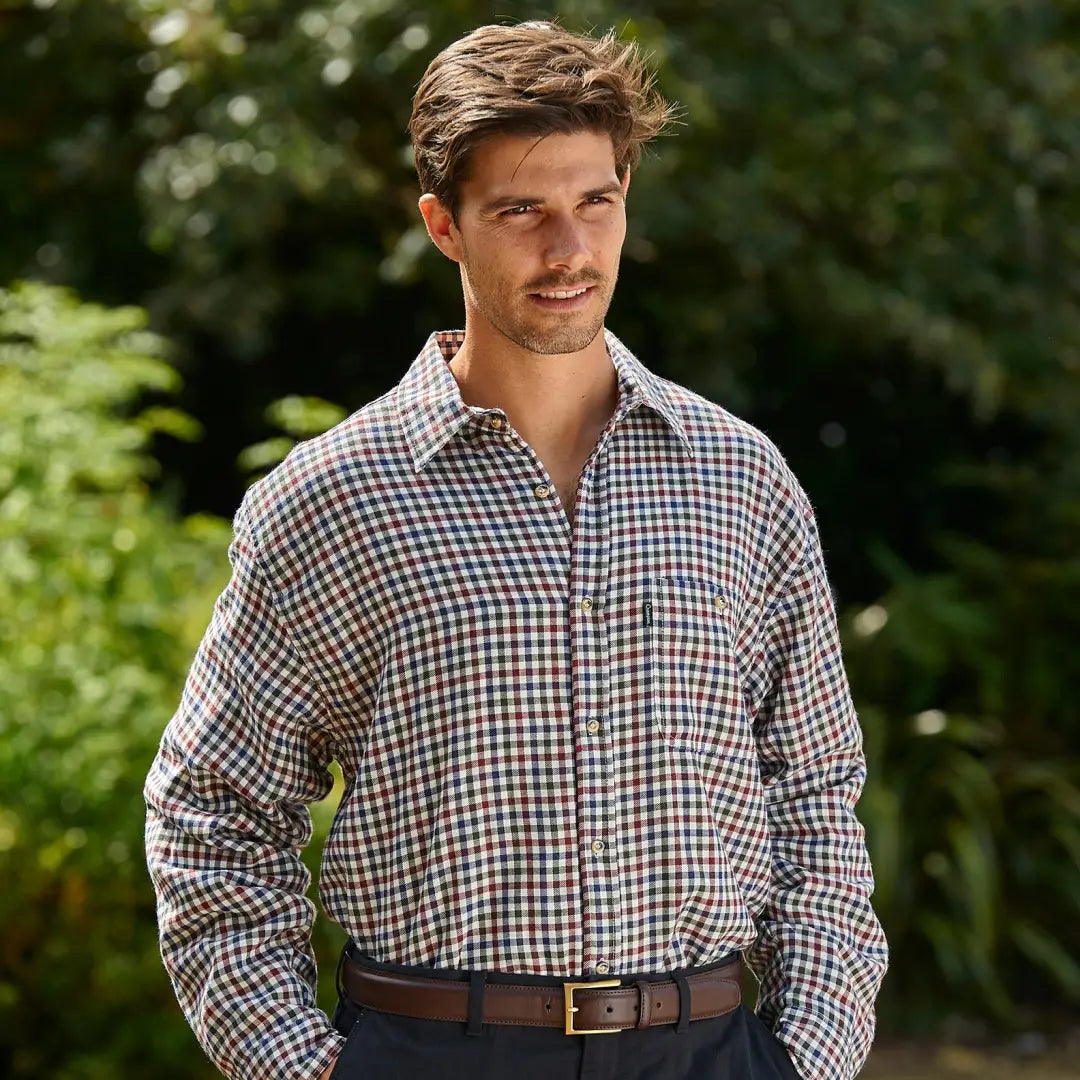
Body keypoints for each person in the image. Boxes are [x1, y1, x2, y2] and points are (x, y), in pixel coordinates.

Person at [145, 20, 888, 1080]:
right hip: (429, 1050)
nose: (569, 251)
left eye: (597, 203)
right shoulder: (331, 502)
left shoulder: (741, 481)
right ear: (444, 226)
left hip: (710, 1052)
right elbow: (213, 808)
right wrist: (302, 1067)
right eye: (522, 212)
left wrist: (808, 1053)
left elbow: (812, 788)